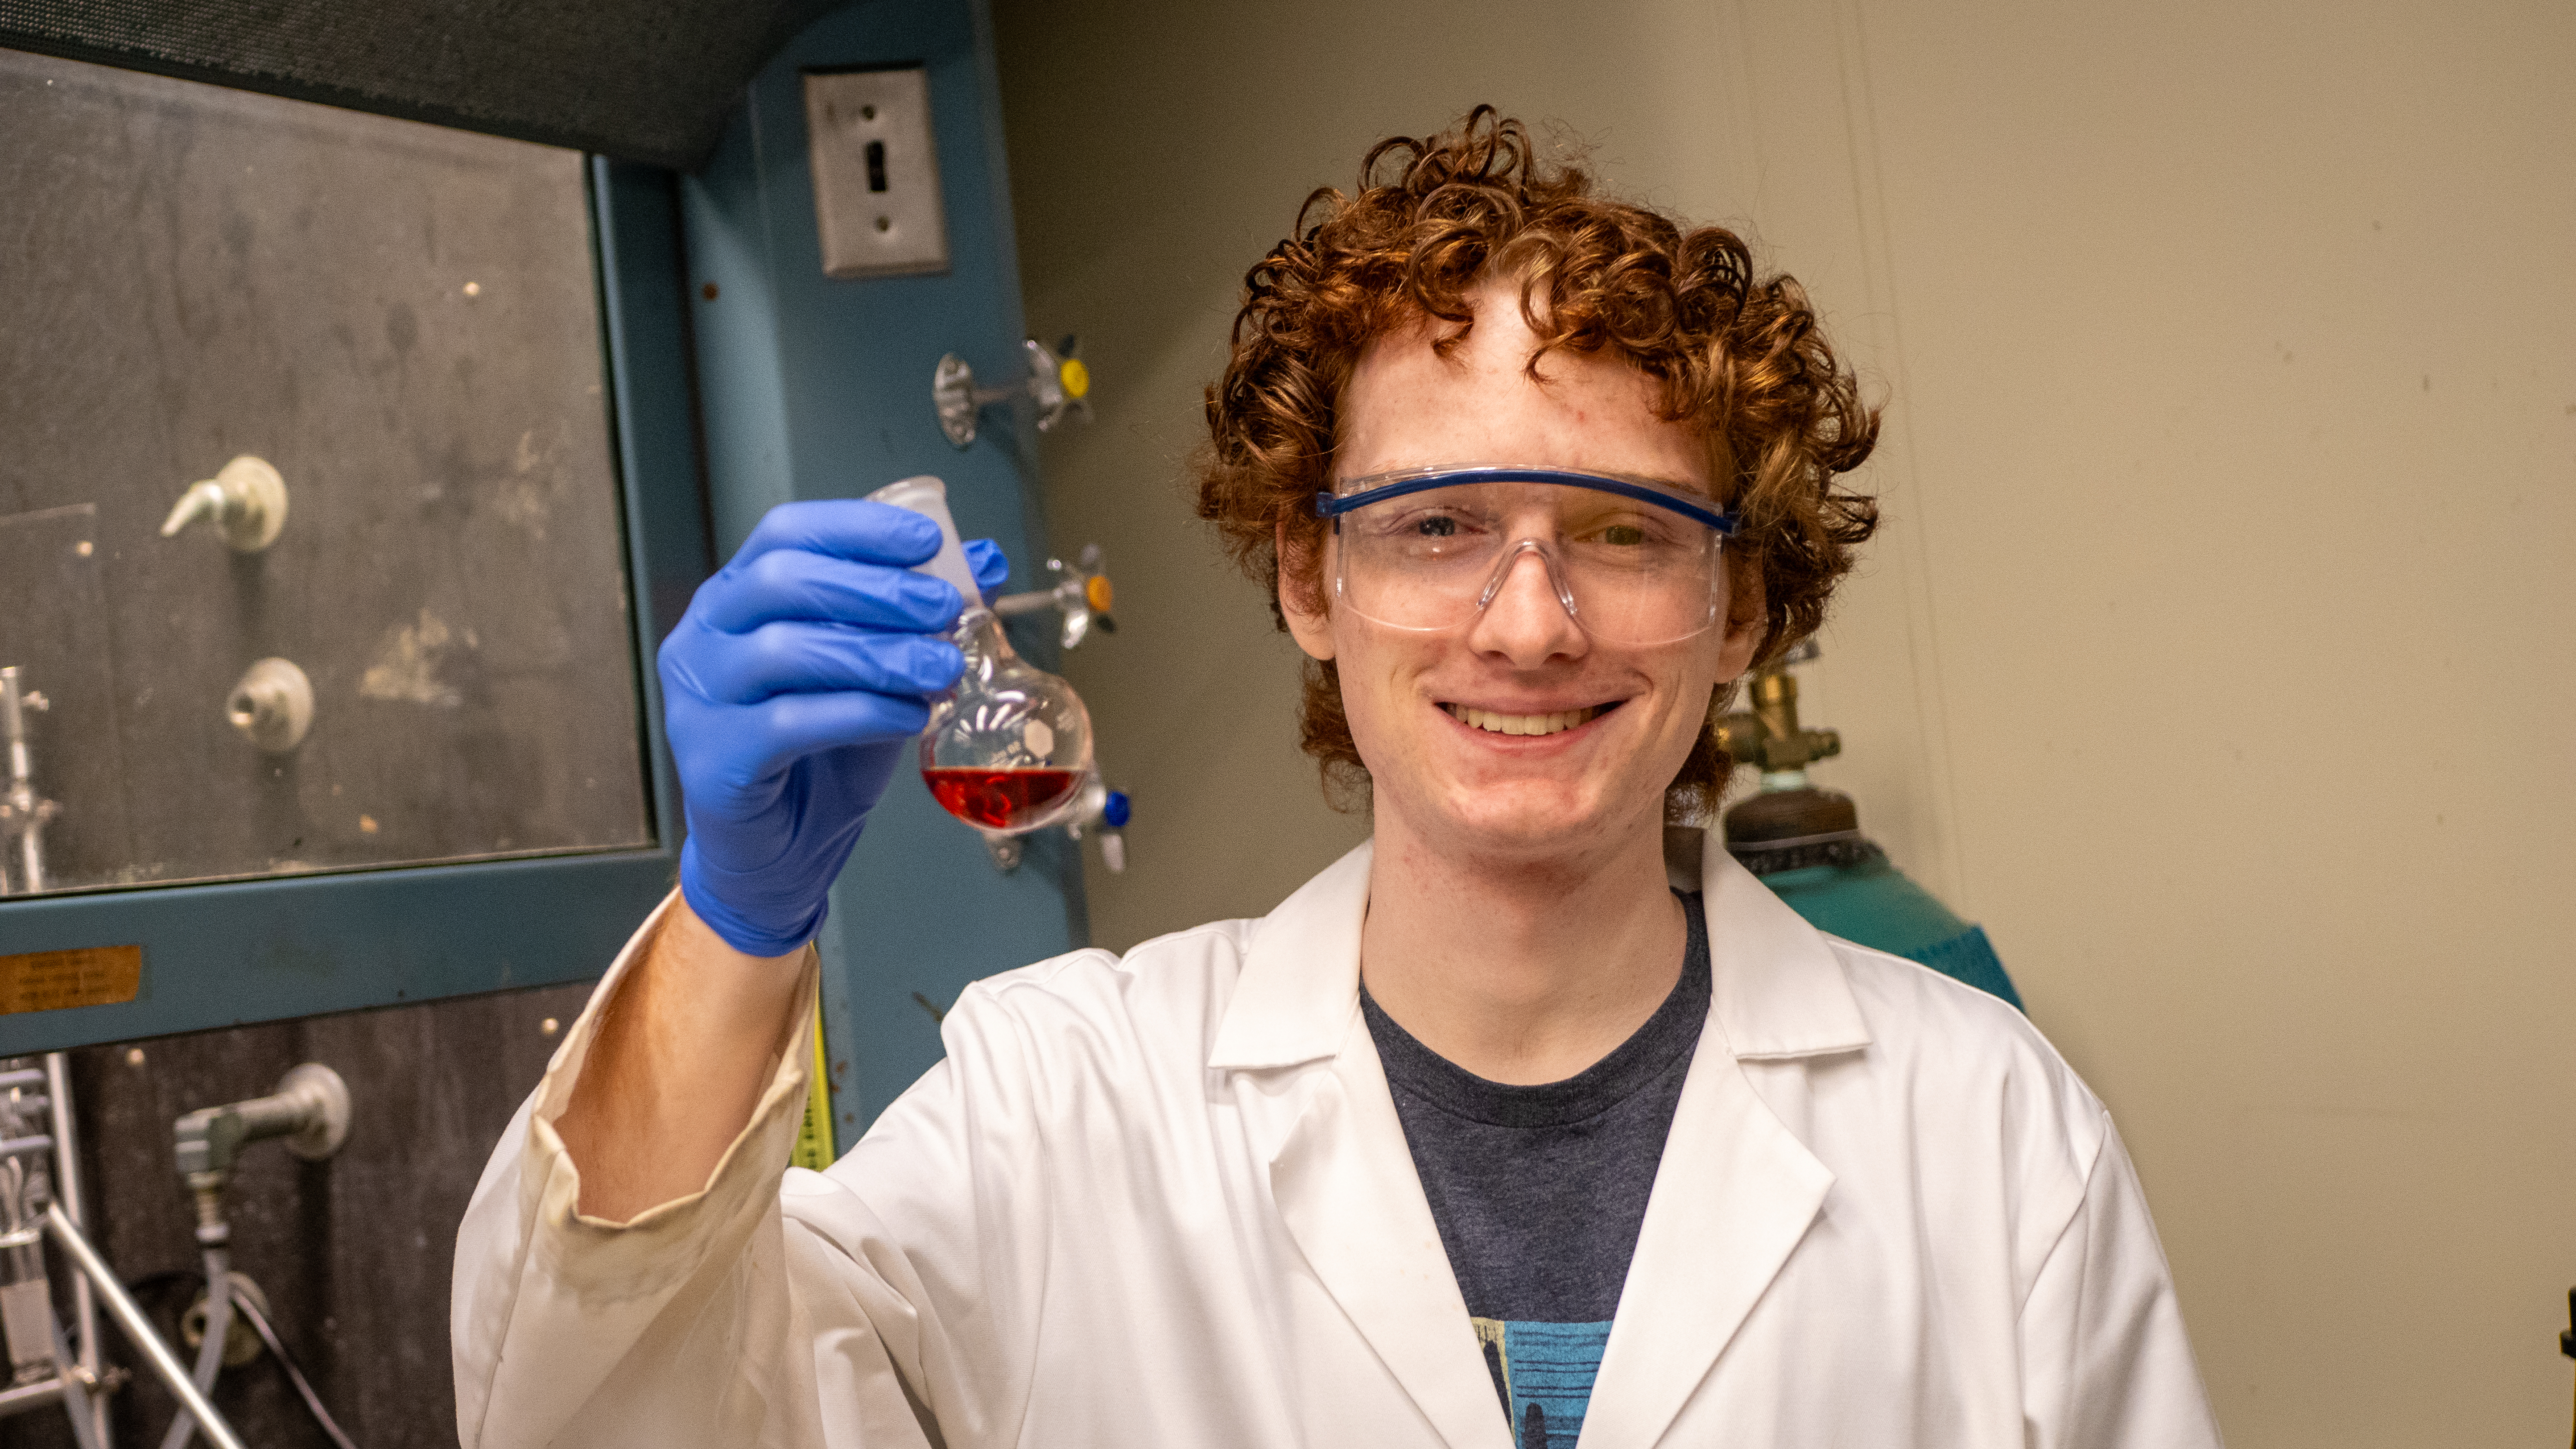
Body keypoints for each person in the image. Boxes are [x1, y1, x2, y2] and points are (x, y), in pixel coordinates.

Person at [452, 109, 2222, 1449]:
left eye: (1619, 530)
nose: (1527, 623)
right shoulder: (1060, 1108)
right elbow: (596, 1405)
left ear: (1739, 599)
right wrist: (734, 921)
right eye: (1437, 524)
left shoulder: (1989, 1136)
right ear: (1311, 579)